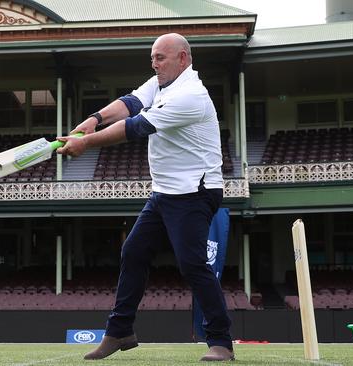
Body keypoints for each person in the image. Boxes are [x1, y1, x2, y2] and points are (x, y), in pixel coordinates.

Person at [56, 33, 234, 362]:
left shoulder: (190, 94)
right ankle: (120, 331)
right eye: (152, 57)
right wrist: (92, 121)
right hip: (164, 192)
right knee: (133, 252)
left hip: (196, 192)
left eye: (161, 57)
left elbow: (136, 126)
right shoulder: (160, 83)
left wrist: (85, 143)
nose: (154, 63)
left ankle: (221, 341)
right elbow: (130, 103)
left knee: (192, 264)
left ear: (183, 58)